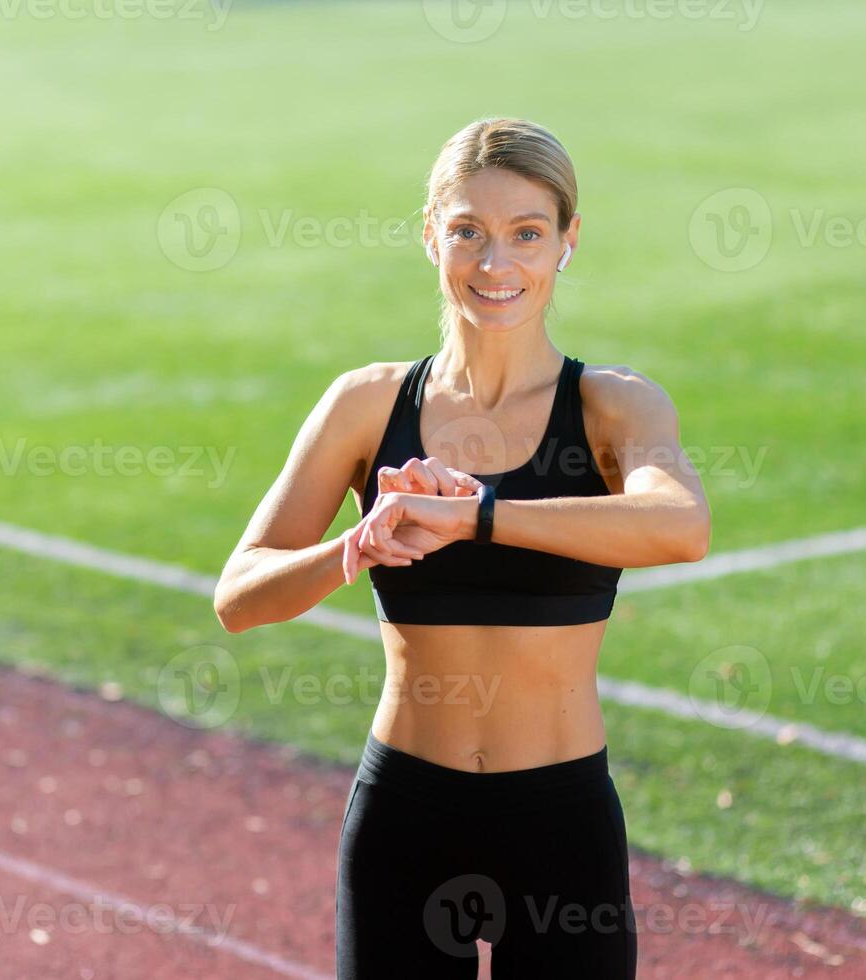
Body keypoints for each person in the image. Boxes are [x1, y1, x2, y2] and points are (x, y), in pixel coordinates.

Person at [213, 117, 711, 978]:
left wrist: (478, 514)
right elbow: (240, 596)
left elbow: (680, 526)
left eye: (527, 234)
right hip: (406, 814)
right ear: (429, 236)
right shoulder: (365, 405)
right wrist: (355, 547)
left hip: (559, 823)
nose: (495, 265)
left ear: (568, 243)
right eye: (467, 233)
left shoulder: (614, 407)